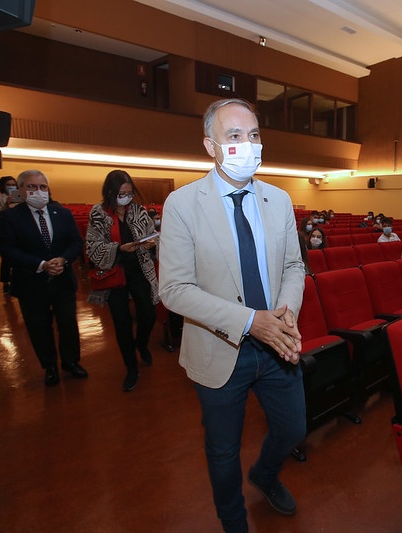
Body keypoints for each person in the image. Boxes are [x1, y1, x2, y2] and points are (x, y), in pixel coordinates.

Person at [158, 98, 306, 533]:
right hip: (221, 349)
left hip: (278, 340)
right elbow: (175, 290)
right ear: (211, 146)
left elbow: (294, 267)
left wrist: (286, 311)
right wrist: (249, 321)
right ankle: (234, 523)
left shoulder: (278, 200)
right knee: (222, 453)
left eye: (254, 135)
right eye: (235, 136)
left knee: (294, 429)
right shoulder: (183, 204)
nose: (248, 144)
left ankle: (264, 473)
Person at [0, 170, 87, 387]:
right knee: (39, 327)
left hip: (62, 280)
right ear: (20, 190)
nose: (38, 191)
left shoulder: (62, 213)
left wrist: (63, 260)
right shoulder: (10, 217)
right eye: (32, 187)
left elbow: (76, 242)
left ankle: (70, 362)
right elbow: (7, 249)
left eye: (43, 187)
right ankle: (50, 367)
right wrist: (41, 265)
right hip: (30, 283)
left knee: (68, 324)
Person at [86, 170, 159, 392]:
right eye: (121, 193)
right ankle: (131, 368)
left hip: (139, 269)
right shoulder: (98, 213)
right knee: (122, 323)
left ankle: (142, 344)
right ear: (110, 192)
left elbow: (151, 234)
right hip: (114, 272)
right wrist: (119, 248)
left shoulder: (138, 211)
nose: (126, 197)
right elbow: (92, 247)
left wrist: (150, 243)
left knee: (148, 314)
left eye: (129, 193)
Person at [0, 175, 20, 296]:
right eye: (8, 184)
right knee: (6, 258)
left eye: (13, 184)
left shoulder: (20, 196)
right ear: (3, 186)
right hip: (6, 229)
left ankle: (18, 281)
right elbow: (0, 213)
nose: (11, 186)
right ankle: (5, 283)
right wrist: (6, 204)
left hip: (19, 228)